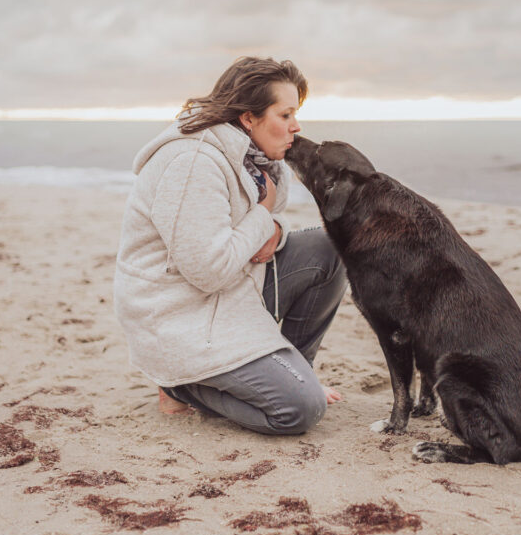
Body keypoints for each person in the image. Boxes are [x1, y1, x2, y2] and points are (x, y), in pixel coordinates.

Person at [113, 57, 347, 435]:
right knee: (300, 409)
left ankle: (294, 369)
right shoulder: (192, 162)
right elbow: (209, 270)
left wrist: (272, 224)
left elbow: (253, 228)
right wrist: (265, 216)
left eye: (295, 114)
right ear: (248, 118)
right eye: (284, 114)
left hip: (231, 291)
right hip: (181, 314)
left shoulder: (252, 158)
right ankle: (180, 386)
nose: (296, 127)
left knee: (329, 247)